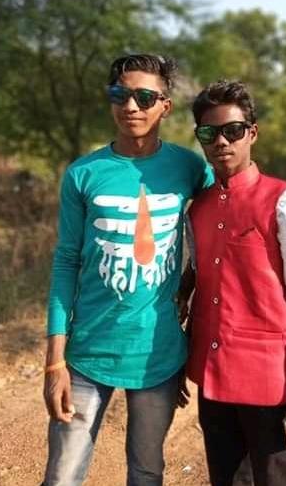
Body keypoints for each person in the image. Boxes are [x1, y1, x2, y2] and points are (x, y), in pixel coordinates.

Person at [41, 54, 213, 486]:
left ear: (165, 106)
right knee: (61, 476)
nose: (131, 106)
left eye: (144, 97)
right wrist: (54, 363)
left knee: (146, 472)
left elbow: (221, 221)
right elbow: (66, 262)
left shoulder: (190, 168)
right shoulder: (83, 173)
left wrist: (190, 286)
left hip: (158, 354)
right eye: (120, 94)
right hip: (87, 352)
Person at [178, 80, 286, 486]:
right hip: (211, 378)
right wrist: (179, 361)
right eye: (209, 133)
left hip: (267, 381)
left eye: (233, 130)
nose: (221, 141)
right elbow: (199, 278)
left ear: (252, 133)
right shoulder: (198, 208)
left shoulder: (283, 201)